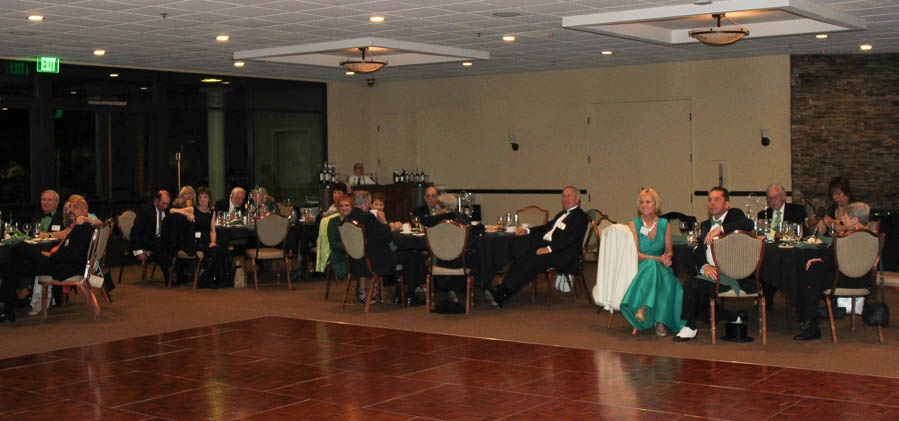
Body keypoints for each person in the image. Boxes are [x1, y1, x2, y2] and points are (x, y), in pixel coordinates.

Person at [484, 186, 589, 309]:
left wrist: (548, 249)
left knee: (533, 262)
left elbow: (568, 240)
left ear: (577, 199)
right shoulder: (561, 214)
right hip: (550, 249)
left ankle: (503, 295)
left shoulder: (581, 217)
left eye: (568, 196)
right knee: (521, 258)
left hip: (564, 254)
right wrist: (528, 230)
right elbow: (546, 227)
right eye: (563, 196)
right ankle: (502, 289)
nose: (565, 199)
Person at [673, 187, 755, 342]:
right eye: (710, 199)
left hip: (731, 274)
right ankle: (734, 316)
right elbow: (698, 250)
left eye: (717, 199)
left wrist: (721, 229)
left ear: (727, 204)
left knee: (691, 286)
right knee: (698, 304)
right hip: (710, 274)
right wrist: (705, 266)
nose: (712, 203)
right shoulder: (705, 225)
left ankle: (690, 326)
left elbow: (748, 224)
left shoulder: (734, 216)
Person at [0, 196, 95, 323]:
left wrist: (50, 255)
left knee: (21, 248)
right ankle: (7, 310)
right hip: (60, 263)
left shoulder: (85, 227)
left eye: (76, 207)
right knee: (14, 266)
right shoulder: (79, 226)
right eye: (71, 207)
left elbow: (72, 254)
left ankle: (7, 308)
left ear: (85, 210)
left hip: (63, 267)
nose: (71, 210)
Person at [795, 202, 875, 341]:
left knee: (809, 278)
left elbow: (835, 260)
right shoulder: (874, 237)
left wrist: (817, 261)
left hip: (845, 279)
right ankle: (814, 316)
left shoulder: (846, 238)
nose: (842, 219)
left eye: (845, 216)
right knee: (814, 272)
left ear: (855, 220)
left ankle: (810, 323)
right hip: (865, 281)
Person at [619, 189, 686, 337]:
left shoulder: (664, 224)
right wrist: (657, 259)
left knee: (660, 273)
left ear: (656, 205)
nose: (644, 205)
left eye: (648, 201)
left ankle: (647, 311)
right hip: (641, 265)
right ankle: (658, 321)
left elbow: (669, 251)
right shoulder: (633, 224)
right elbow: (635, 254)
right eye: (641, 202)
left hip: (661, 266)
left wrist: (668, 257)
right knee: (651, 266)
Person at [345, 190, 425, 305]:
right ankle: (408, 296)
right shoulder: (367, 217)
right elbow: (387, 236)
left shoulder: (349, 218)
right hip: (374, 260)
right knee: (412, 255)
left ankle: (400, 294)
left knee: (406, 254)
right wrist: (383, 221)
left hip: (356, 259)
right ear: (367, 201)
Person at [757, 183, 808, 307]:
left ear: (784, 196)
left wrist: (786, 234)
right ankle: (766, 299)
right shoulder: (762, 214)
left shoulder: (797, 211)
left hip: (790, 255)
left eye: (775, 197)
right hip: (770, 254)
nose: (772, 201)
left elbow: (804, 233)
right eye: (770, 198)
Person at [131, 190, 173, 284]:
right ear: (156, 201)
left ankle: (179, 273)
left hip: (163, 240)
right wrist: (138, 251)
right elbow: (136, 231)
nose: (166, 206)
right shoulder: (145, 210)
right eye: (163, 203)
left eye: (167, 204)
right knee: (160, 246)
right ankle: (169, 275)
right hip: (148, 241)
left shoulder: (169, 210)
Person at [326, 195, 353, 281]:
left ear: (351, 207)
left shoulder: (356, 220)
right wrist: (347, 248)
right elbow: (333, 243)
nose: (344, 208)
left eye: (346, 205)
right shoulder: (333, 222)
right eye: (341, 206)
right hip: (340, 252)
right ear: (337, 208)